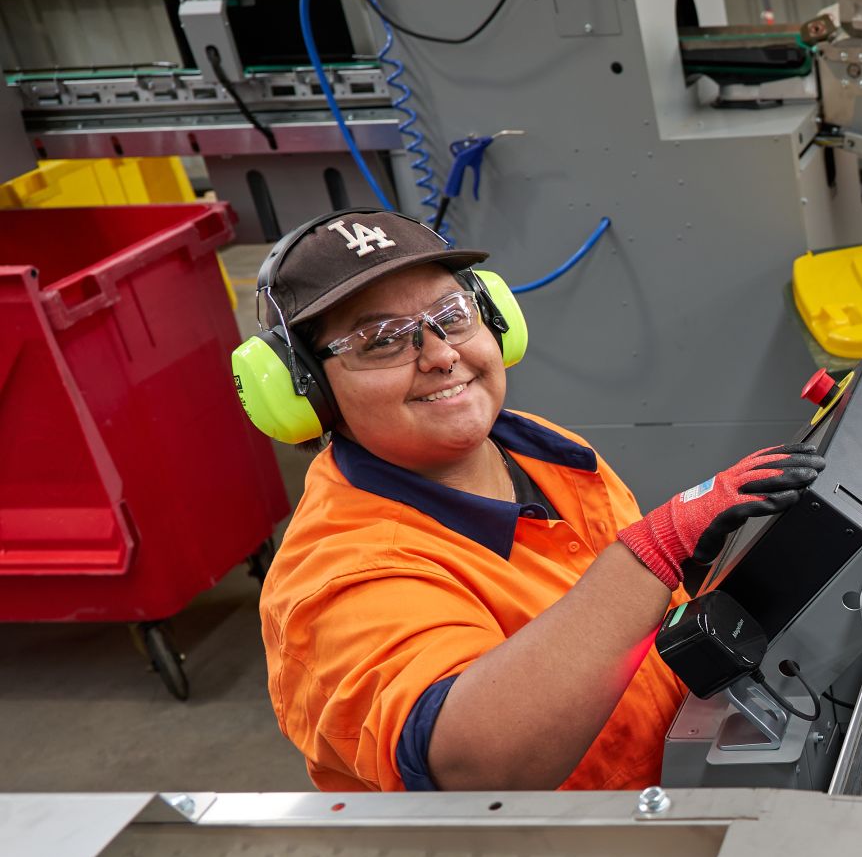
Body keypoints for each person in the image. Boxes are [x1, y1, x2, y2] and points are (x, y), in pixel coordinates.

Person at [238, 209, 821, 790]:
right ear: (303, 388)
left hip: (679, 793)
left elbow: (614, 624)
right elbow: (479, 765)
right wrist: (654, 550)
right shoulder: (339, 575)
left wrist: (695, 569)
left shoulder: (548, 453)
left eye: (451, 315)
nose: (440, 354)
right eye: (382, 340)